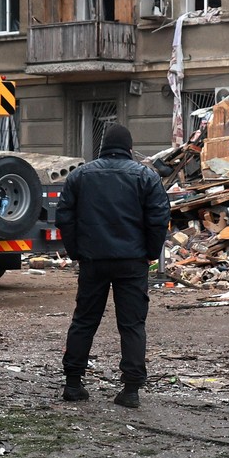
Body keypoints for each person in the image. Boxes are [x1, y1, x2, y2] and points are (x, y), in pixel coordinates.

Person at [58, 123, 171, 409]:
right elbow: (159, 218)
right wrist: (149, 253)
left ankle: (73, 383)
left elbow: (64, 216)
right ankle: (130, 390)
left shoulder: (80, 175)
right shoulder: (146, 176)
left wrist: (76, 252)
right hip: (132, 261)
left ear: (102, 147)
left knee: (84, 320)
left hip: (93, 260)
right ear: (129, 149)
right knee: (132, 324)